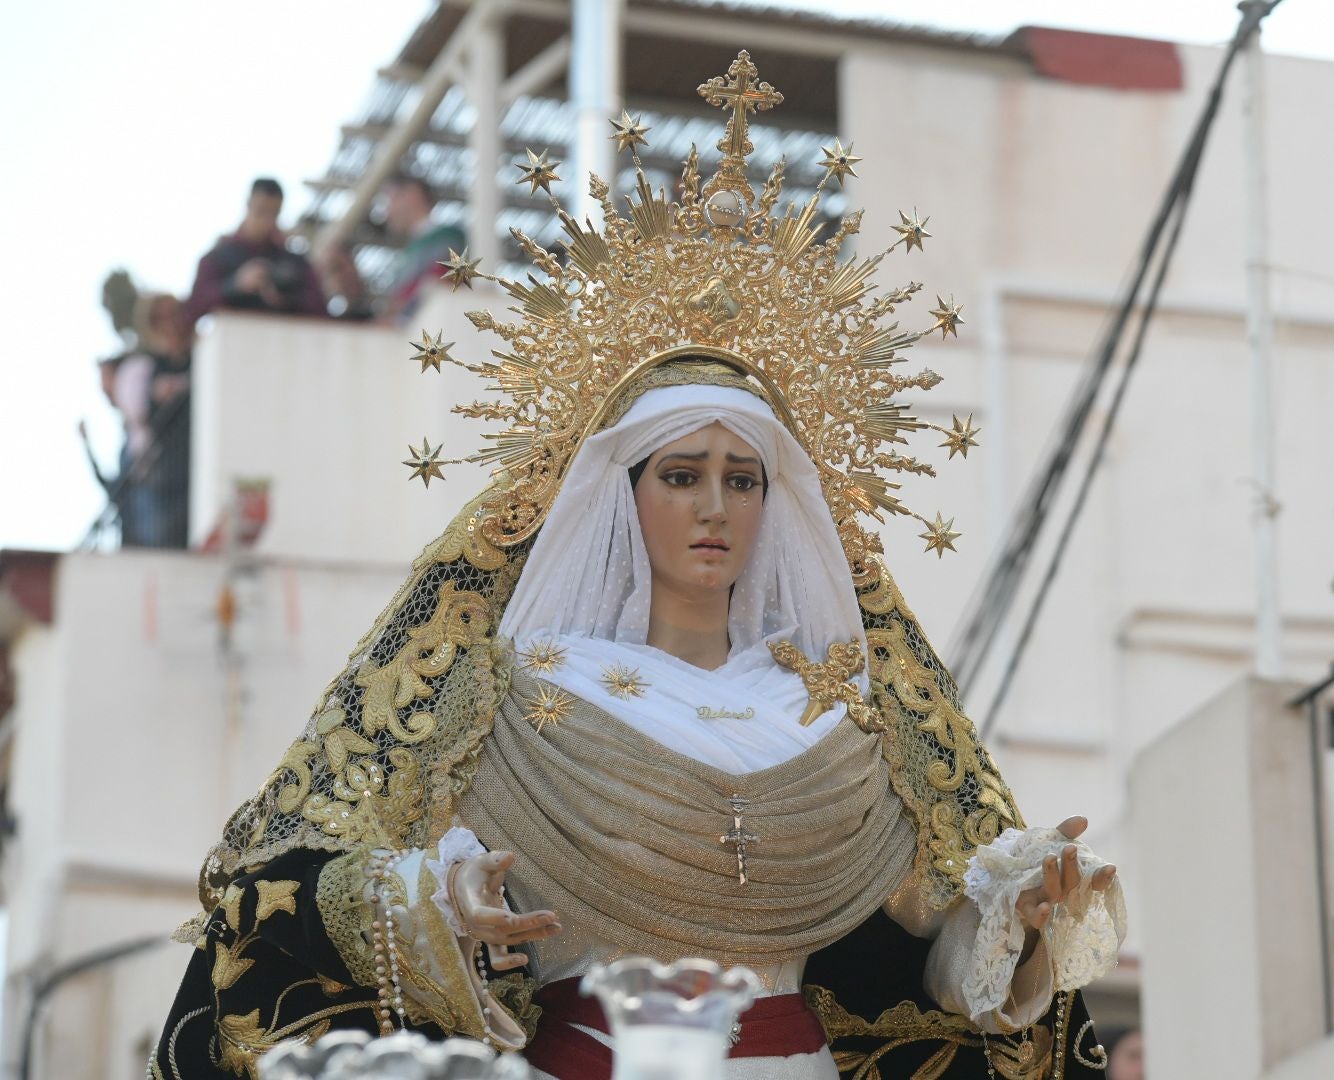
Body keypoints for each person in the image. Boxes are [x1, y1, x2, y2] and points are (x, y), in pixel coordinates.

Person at [150, 52, 1126, 1080]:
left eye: (743, 480)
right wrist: (442, 907)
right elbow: (328, 879)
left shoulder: (846, 717)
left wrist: (1021, 918)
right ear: (622, 494)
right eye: (681, 474)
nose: (714, 506)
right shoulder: (516, 697)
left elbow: (929, 965)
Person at [182, 178, 326, 331]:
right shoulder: (216, 258)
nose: (267, 221)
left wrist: (288, 298)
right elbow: (192, 310)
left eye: (274, 214)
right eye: (261, 211)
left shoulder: (295, 262)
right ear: (248, 205)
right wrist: (234, 285)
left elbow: (321, 312)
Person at [112, 292, 192, 548]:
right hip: (167, 475)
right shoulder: (149, 368)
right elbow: (142, 416)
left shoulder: (206, 355)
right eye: (159, 319)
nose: (169, 324)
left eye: (173, 314)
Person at [378, 173, 467, 323]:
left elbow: (441, 279)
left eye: (390, 200)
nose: (387, 212)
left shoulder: (448, 237)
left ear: (412, 195)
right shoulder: (409, 252)